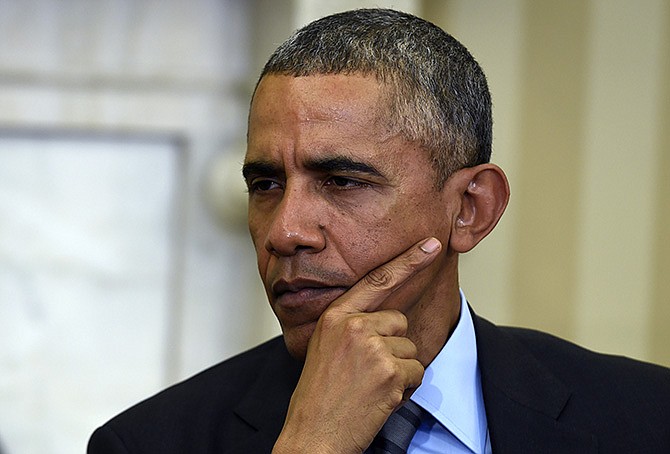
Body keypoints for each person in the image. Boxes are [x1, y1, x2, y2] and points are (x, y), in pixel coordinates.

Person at [88, 8, 670, 453]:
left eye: (341, 181)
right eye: (266, 184)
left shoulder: (645, 418)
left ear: (470, 208)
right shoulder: (149, 442)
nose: (285, 232)